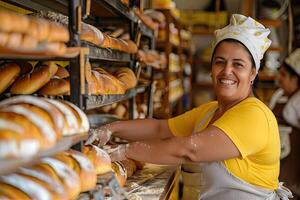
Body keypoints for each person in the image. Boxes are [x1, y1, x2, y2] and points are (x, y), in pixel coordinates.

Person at [86, 14, 292, 200]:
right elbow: (160, 129)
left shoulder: (254, 115)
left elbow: (188, 150)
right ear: (211, 69)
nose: (226, 71)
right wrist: (113, 128)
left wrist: (124, 151)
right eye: (220, 62)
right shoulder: (211, 111)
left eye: (238, 64)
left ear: (253, 74)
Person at [268, 49, 300, 199]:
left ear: (295, 79)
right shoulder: (279, 95)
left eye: (284, 75)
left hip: (293, 157)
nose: (278, 78)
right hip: (277, 155)